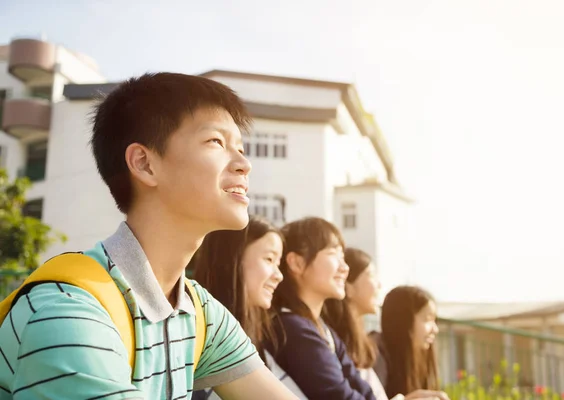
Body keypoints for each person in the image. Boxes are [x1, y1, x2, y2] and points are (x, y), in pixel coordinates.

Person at [0, 73, 298, 399]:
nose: (244, 164)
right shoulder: (68, 314)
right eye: (216, 142)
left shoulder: (198, 312)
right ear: (144, 164)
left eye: (241, 148)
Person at [191, 215, 307, 399]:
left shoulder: (259, 340)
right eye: (269, 259)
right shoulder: (196, 338)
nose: (279, 276)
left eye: (278, 264)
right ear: (232, 259)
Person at [265, 217, 376, 400]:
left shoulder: (322, 329)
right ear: (297, 263)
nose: (344, 268)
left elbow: (362, 390)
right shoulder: (293, 329)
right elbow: (339, 396)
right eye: (334, 254)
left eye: (343, 257)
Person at [323, 248, 390, 400]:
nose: (379, 285)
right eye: (371, 275)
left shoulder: (361, 343)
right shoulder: (333, 343)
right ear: (348, 287)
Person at [371, 286, 449, 400]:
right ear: (403, 320)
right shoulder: (375, 356)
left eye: (434, 320)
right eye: (427, 319)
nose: (435, 329)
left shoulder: (417, 358)